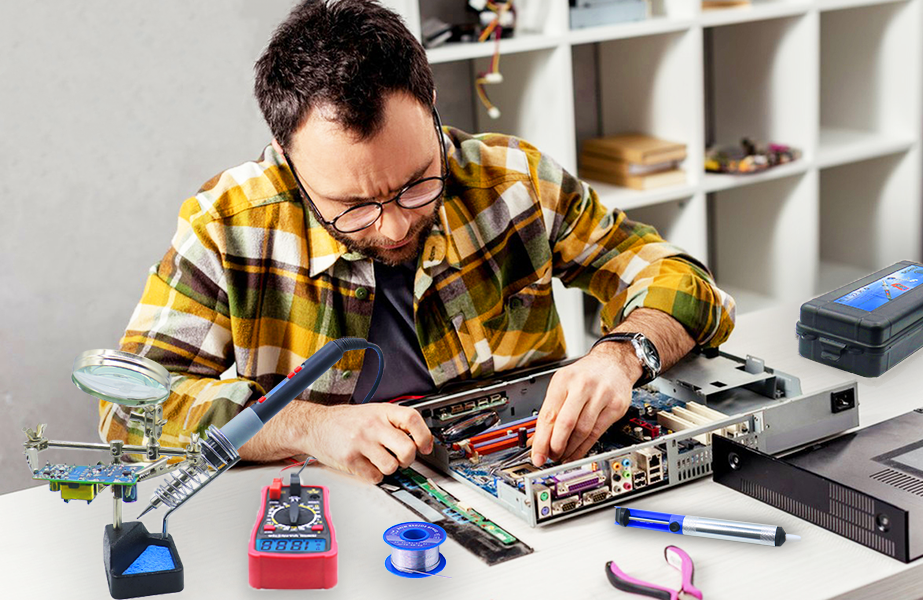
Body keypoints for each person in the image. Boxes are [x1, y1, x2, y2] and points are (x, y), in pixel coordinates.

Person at [98, 0, 735, 483]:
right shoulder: (227, 224)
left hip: (523, 486)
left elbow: (686, 283)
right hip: (343, 520)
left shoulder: (512, 182)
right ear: (286, 161)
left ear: (431, 107)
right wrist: (307, 425)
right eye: (353, 207)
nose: (396, 225)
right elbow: (126, 412)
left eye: (415, 184)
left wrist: (623, 355)